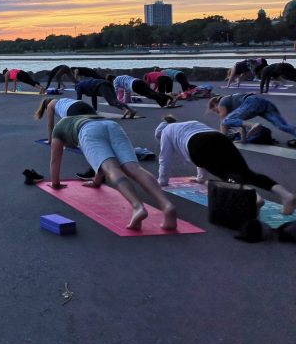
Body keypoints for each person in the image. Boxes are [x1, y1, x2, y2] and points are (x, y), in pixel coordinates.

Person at [47, 115, 177, 230]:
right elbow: (98, 166)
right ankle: (167, 205)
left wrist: (55, 184)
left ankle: (138, 207)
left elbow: (55, 160)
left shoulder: (58, 130)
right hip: (111, 125)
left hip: (88, 130)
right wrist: (96, 182)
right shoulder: (78, 118)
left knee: (112, 169)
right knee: (134, 168)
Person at [155, 115, 295, 215]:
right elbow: (198, 141)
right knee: (246, 172)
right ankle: (286, 195)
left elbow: (164, 159)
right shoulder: (189, 123)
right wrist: (200, 179)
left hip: (198, 145)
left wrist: (162, 181)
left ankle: (254, 198)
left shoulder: (166, 132)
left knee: (227, 176)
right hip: (219, 138)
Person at [208, 93, 296, 141]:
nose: (217, 111)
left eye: (215, 110)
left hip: (251, 101)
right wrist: (243, 139)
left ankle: (254, 125)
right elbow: (242, 123)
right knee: (282, 126)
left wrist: (221, 138)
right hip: (263, 102)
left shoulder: (222, 101)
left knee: (226, 121)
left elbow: (223, 121)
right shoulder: (236, 106)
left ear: (215, 104)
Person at [107, 74, 174, 108]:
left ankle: (167, 100)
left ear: (111, 80)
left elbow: (115, 91)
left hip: (134, 85)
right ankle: (168, 100)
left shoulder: (115, 81)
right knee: (152, 93)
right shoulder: (122, 77)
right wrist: (126, 101)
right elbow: (127, 91)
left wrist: (114, 100)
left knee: (150, 95)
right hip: (139, 81)